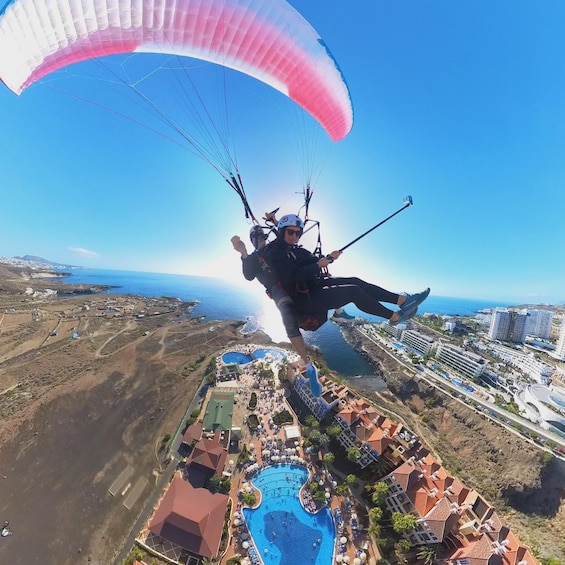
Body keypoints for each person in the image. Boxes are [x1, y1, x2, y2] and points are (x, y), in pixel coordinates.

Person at [267, 213, 430, 326]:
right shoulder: (276, 251)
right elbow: (290, 276)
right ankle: (394, 317)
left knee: (355, 281)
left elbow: (311, 261)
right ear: (282, 232)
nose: (295, 236)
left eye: (298, 233)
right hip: (305, 299)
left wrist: (329, 258)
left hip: (314, 286)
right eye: (290, 232)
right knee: (353, 292)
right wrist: (318, 266)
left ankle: (403, 301)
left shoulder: (293, 249)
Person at [231, 216, 323, 396]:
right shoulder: (253, 258)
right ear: (252, 241)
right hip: (278, 289)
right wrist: (242, 251)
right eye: (255, 239)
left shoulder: (273, 248)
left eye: (261, 237)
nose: (260, 240)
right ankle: (308, 365)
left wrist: (275, 222)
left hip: (292, 280)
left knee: (321, 286)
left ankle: (339, 310)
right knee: (287, 317)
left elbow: (286, 239)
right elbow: (248, 275)